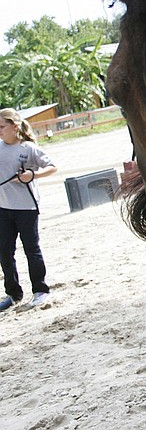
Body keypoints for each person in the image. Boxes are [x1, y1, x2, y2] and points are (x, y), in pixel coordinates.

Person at [0, 108, 57, 312]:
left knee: (31, 249)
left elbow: (52, 167)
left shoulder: (29, 148)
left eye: (1, 127)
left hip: (26, 208)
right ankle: (13, 294)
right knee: (5, 252)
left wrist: (31, 175)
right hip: (3, 208)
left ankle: (41, 290)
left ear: (15, 127)